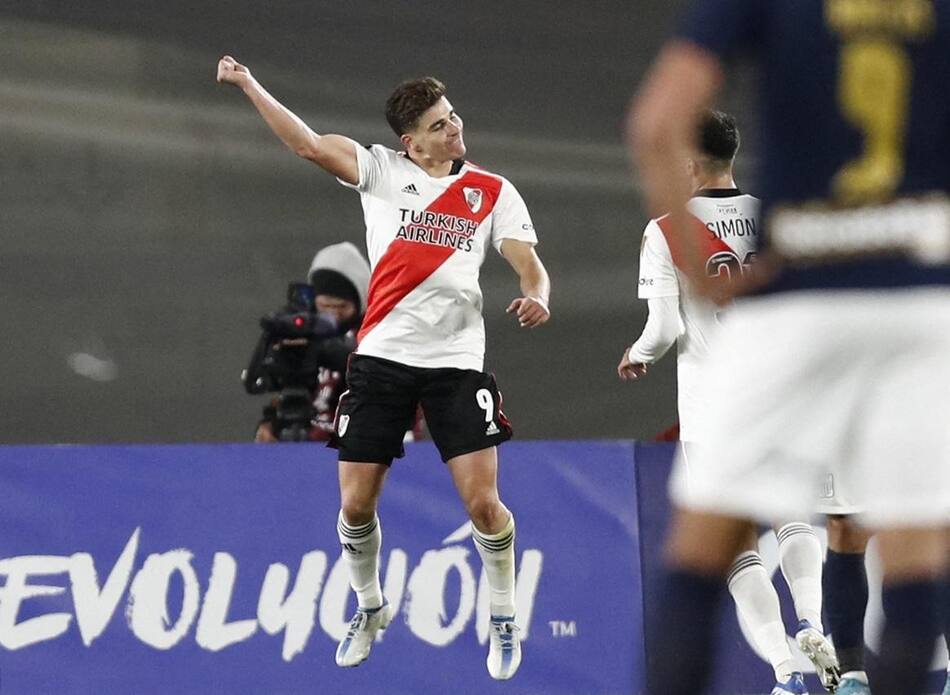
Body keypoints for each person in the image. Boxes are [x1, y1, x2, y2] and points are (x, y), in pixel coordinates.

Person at [627, 2, 950, 694]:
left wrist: (703, 281)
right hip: (922, 300)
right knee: (915, 563)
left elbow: (656, 125)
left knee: (705, 554)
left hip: (794, 295)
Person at [217, 56, 551, 680]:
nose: (455, 131)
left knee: (484, 507)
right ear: (411, 142)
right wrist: (247, 83)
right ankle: (371, 605)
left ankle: (503, 614)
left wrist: (539, 293)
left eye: (453, 119)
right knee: (355, 507)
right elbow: (310, 146)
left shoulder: (492, 190)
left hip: (456, 362)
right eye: (440, 126)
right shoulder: (379, 171)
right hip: (381, 360)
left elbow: (527, 262)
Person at [619, 109, 837, 694]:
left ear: (690, 162)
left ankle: (786, 671)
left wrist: (637, 354)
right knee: (792, 516)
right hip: (781, 388)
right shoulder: (778, 218)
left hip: (713, 400)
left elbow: (663, 330)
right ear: (732, 155)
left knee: (735, 548)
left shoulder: (666, 230)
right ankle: (813, 620)